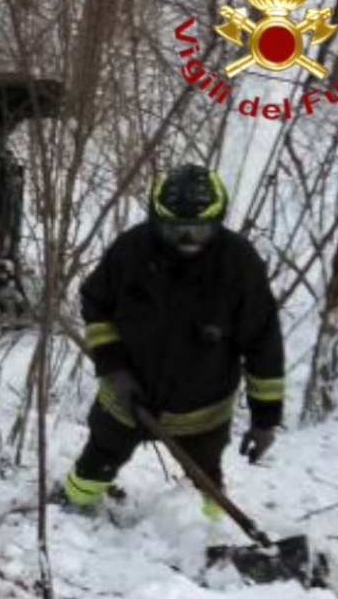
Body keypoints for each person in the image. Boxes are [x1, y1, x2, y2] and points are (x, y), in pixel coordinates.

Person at [59, 164, 285, 518]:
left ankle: (213, 535)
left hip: (203, 413)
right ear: (156, 219)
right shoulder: (131, 250)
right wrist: (113, 368)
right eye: (174, 230)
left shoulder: (238, 265)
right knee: (97, 459)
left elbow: (263, 343)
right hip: (124, 400)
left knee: (208, 479)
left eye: (198, 230)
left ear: (217, 220)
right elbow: (96, 304)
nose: (187, 242)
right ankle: (72, 507)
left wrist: (265, 419)